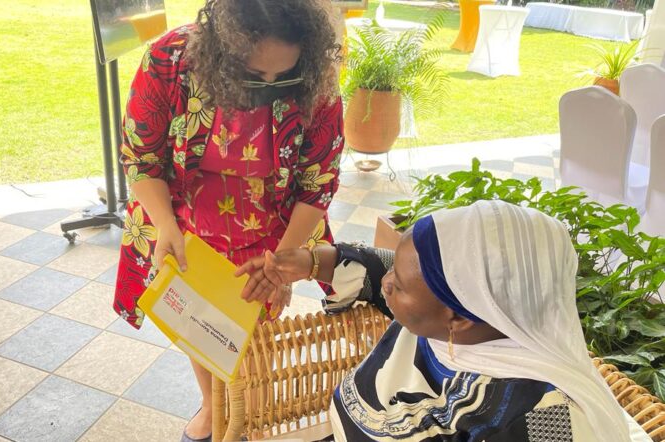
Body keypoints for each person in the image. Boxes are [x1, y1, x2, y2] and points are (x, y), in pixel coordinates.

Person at [112, 1, 344, 440]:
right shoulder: (170, 59)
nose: (270, 87)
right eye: (255, 77)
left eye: (284, 78)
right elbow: (141, 158)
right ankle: (213, 408)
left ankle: (239, 416)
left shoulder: (316, 73)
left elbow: (318, 181)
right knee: (201, 321)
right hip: (185, 221)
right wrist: (164, 226)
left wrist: (283, 258)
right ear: (224, 50)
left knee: (251, 337)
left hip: (272, 227)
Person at [237, 200, 651, 441]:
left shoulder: (544, 416)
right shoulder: (451, 315)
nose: (385, 283)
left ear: (457, 316)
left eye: (398, 284)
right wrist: (308, 262)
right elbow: (370, 266)